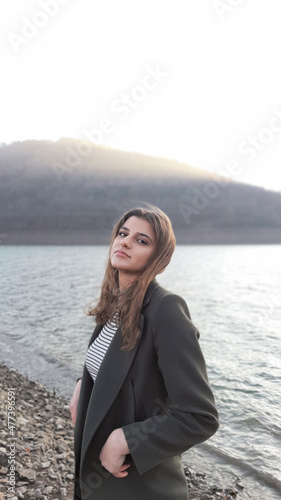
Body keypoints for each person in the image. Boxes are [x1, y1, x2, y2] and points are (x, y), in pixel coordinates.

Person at [70, 205, 219, 500]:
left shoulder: (166, 310)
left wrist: (127, 439)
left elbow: (199, 416)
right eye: (123, 233)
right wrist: (83, 384)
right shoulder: (115, 306)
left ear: (157, 256)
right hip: (98, 480)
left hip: (138, 487)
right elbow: (114, 369)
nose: (125, 241)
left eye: (141, 240)